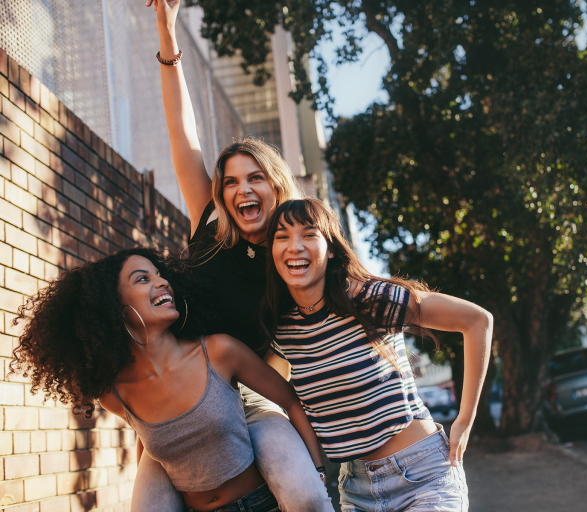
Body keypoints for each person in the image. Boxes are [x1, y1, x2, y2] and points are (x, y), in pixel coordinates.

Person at [145, 1, 333, 510]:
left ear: (276, 186)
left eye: (255, 178)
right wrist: (167, 30)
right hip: (176, 402)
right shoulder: (208, 220)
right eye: (230, 181)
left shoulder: (296, 259)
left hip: (247, 399)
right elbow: (182, 132)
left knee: (304, 496)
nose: (241, 190)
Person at [10, 248, 325, 512]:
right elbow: (149, 439)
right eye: (143, 279)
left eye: (160, 276)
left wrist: (317, 469)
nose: (161, 282)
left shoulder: (219, 351)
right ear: (114, 308)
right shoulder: (114, 396)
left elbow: (289, 400)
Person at [261, 199, 494, 512]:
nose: (295, 246)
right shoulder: (285, 330)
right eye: (282, 236)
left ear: (330, 248)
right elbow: (274, 401)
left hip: (423, 477)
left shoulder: (369, 298)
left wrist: (465, 420)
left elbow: (477, 321)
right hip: (356, 491)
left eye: (308, 234)